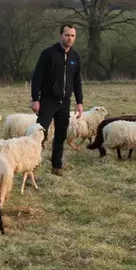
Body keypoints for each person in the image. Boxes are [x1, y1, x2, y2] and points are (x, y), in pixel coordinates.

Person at [30, 23, 83, 176]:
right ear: (61, 35)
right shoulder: (48, 54)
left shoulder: (75, 57)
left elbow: (77, 81)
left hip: (64, 102)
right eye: (67, 35)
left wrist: (79, 102)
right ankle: (33, 165)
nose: (70, 38)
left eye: (73, 36)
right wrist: (35, 99)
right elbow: (37, 77)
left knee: (61, 135)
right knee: (40, 133)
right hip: (48, 100)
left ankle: (56, 166)